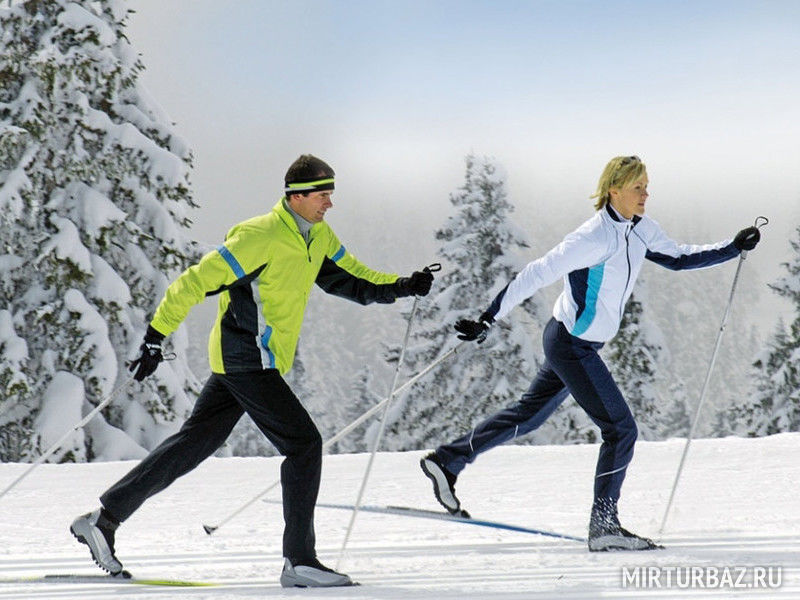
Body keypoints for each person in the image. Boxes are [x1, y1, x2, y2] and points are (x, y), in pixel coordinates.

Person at [70, 154, 434, 587]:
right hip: (247, 358)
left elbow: (351, 278)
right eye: (322, 195)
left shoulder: (317, 236)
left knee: (194, 444)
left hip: (253, 361)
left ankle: (103, 520)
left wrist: (402, 286)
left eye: (331, 194)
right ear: (296, 197)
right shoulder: (258, 237)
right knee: (304, 445)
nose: (329, 203)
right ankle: (299, 561)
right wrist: (155, 336)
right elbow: (193, 282)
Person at [420, 155, 760, 552]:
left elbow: (680, 258)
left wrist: (732, 248)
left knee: (529, 416)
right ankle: (604, 525)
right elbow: (536, 272)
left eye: (646, 186)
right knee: (621, 429)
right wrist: (488, 318)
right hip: (571, 345)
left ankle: (447, 461)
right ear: (614, 190)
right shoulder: (593, 237)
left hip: (574, 343)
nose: (645, 194)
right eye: (637, 187)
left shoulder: (641, 229)